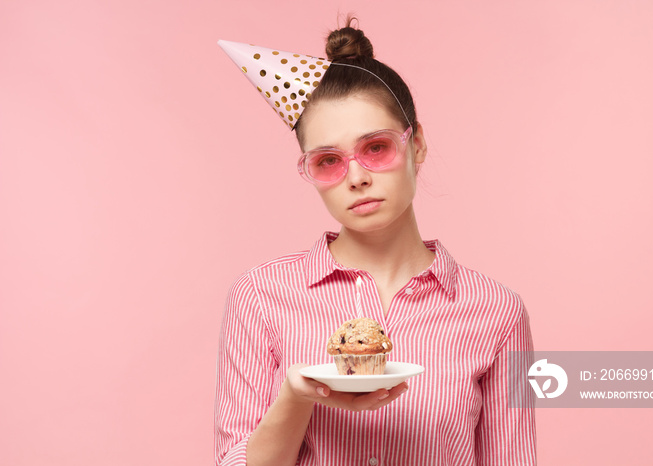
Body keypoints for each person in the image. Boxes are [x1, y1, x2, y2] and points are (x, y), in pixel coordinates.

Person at [215, 18, 536, 466]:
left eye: (376, 148)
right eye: (329, 160)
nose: (358, 177)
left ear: (417, 143)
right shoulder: (261, 297)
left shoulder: (497, 312)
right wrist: (295, 397)